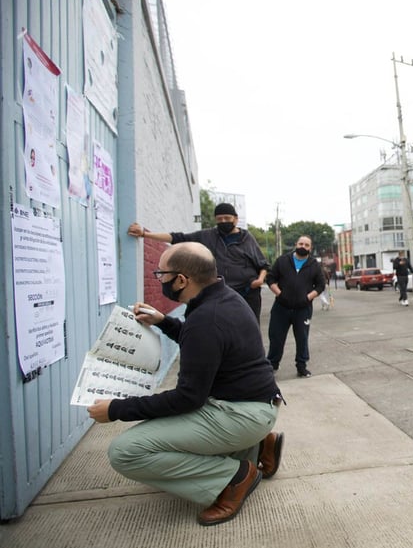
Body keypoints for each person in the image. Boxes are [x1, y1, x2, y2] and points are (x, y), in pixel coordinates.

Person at [87, 242, 284, 526]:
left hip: (240, 412)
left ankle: (235, 477)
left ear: (181, 279)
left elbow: (187, 399)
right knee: (182, 443)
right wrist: (163, 322)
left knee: (126, 451)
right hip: (257, 403)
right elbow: (205, 347)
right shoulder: (223, 298)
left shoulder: (206, 318)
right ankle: (259, 442)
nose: (161, 280)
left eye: (162, 275)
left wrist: (116, 409)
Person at [127, 203, 269, 320]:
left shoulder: (247, 239)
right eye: (220, 219)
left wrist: (259, 280)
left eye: (227, 218)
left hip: (247, 294)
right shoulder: (208, 236)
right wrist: (145, 234)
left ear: (236, 219)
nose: (224, 222)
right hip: (220, 293)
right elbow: (177, 238)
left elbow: (262, 265)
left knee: (248, 327)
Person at [266, 235, 326, 377]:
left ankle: (301, 366)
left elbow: (320, 285)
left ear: (310, 248)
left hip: (303, 309)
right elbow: (271, 278)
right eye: (301, 243)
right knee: (276, 337)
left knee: (302, 338)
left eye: (306, 245)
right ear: (296, 244)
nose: (303, 247)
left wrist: (308, 297)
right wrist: (279, 294)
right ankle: (272, 365)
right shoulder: (282, 261)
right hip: (281, 307)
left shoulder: (314, 265)